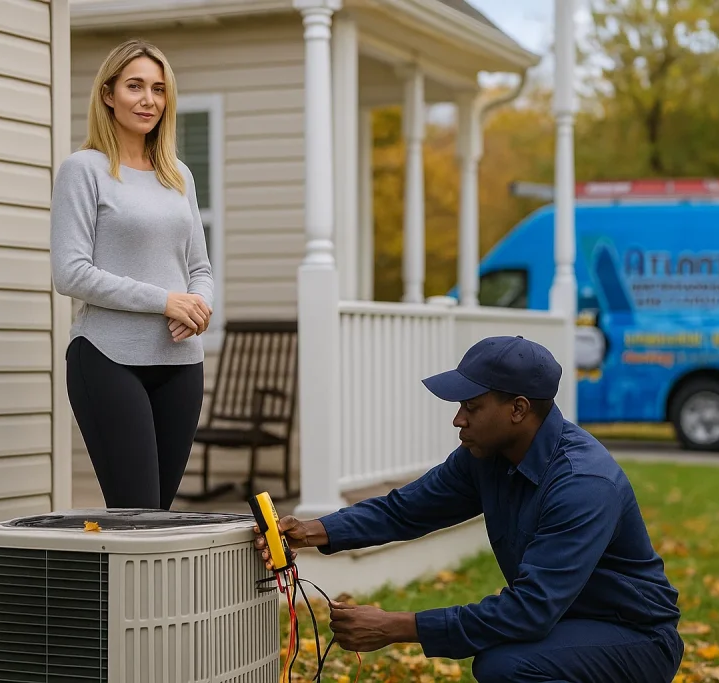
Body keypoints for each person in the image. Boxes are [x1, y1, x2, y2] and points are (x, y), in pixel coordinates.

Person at [255, 335, 684, 682]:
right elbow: (405, 511)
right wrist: (311, 532)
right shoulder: (485, 457)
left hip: (635, 637)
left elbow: (529, 611)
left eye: (472, 407)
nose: (458, 420)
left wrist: (397, 627)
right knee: (504, 659)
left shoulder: (582, 484)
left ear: (518, 409)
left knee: (507, 666)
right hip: (567, 622)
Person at [50, 39, 214, 511]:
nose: (149, 100)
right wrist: (166, 300)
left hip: (181, 365)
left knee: (158, 516)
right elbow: (71, 273)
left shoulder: (177, 174)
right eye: (135, 86)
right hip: (107, 360)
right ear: (108, 94)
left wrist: (199, 306)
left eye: (159, 89)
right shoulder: (84, 171)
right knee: (135, 514)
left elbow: (199, 267)